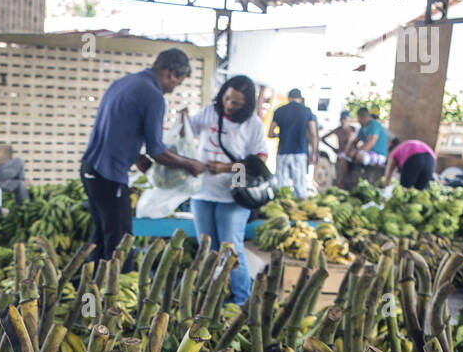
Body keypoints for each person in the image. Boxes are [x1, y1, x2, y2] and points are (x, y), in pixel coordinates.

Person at [80, 47, 209, 262]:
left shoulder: (125, 82)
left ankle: (89, 290)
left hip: (90, 169)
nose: (173, 90)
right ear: (171, 74)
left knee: (102, 237)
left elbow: (118, 128)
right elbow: (157, 151)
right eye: (177, 84)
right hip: (108, 175)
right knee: (121, 245)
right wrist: (190, 164)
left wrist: (136, 156)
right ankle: (117, 292)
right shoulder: (153, 95)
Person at [188, 75, 269, 305]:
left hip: (234, 195)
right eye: (227, 98)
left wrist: (226, 168)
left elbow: (259, 159)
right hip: (202, 192)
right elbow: (186, 130)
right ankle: (211, 299)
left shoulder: (253, 124)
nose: (229, 105)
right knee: (208, 250)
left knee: (231, 248)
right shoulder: (208, 113)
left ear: (247, 104)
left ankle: (241, 301)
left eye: (236, 103)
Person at [269, 88, 318, 198]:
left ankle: (282, 209)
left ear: (289, 98)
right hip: (300, 152)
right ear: (300, 99)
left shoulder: (279, 110)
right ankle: (300, 211)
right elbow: (313, 134)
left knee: (282, 188)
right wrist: (314, 153)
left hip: (283, 152)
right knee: (300, 187)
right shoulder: (307, 111)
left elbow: (270, 133)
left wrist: (280, 135)